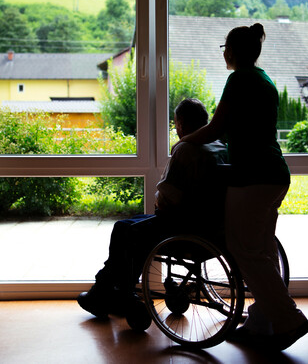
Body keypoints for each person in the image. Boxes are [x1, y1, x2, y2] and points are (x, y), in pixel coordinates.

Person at [180, 24, 308, 351]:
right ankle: (261, 323)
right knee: (263, 252)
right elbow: (240, 129)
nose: (223, 53)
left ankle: (290, 319)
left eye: (225, 47)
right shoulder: (265, 80)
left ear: (234, 51)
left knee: (245, 251)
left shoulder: (239, 79)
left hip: (252, 177)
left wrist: (183, 142)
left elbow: (215, 128)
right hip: (275, 174)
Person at [77, 98, 227, 318]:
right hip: (212, 227)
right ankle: (106, 291)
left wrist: (159, 203)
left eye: (176, 123)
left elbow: (168, 197)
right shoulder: (219, 147)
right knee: (131, 225)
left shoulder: (186, 149)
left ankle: (115, 292)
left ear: (182, 123)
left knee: (125, 230)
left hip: (184, 228)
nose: (176, 128)